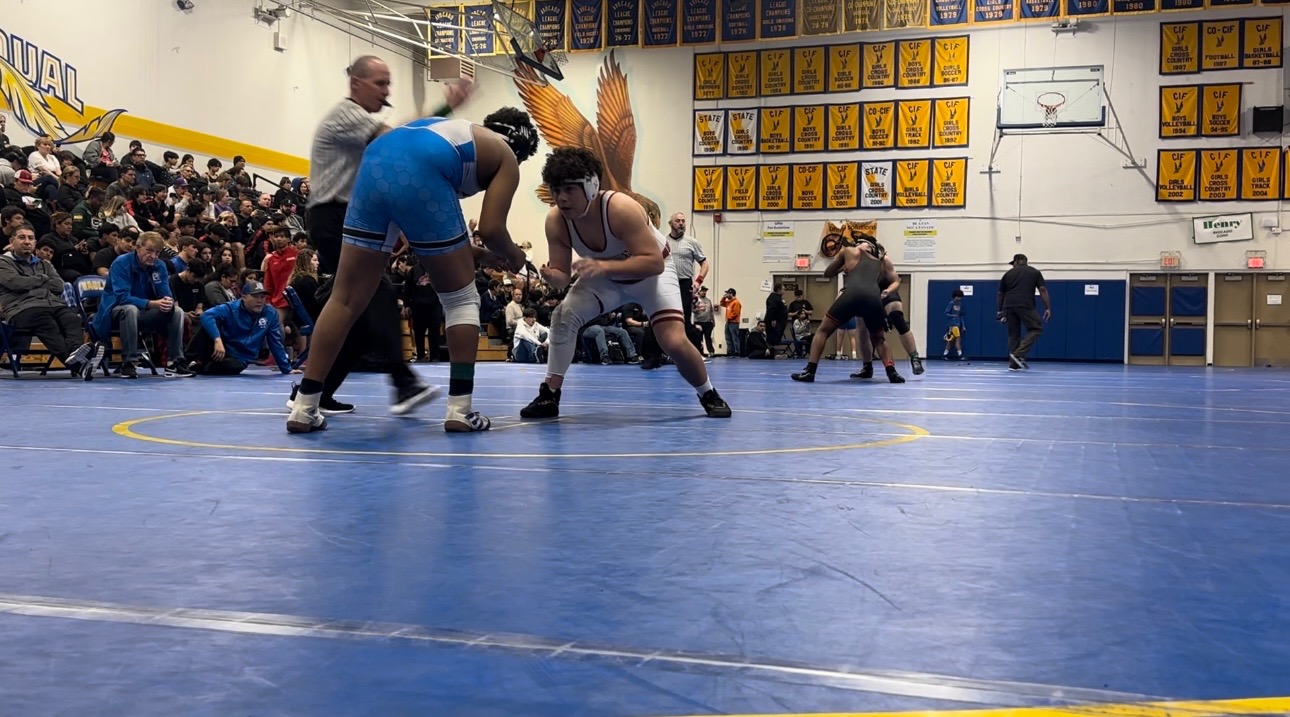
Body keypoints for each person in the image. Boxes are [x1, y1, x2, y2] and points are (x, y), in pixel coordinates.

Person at [285, 105, 538, 434]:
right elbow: (491, 230)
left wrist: (473, 253)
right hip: (417, 174)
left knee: (345, 298)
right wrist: (516, 256)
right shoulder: (504, 154)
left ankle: (304, 407)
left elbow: (426, 228)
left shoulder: (451, 130)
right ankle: (460, 409)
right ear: (520, 150)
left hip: (373, 165)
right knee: (461, 299)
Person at [289, 55, 472, 418]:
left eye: (389, 84)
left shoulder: (360, 119)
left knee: (354, 314)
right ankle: (403, 380)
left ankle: (314, 392)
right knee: (375, 293)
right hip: (332, 214)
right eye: (380, 83)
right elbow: (400, 141)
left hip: (352, 215)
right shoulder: (346, 114)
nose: (386, 92)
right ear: (356, 83)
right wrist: (444, 108)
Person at [518, 147, 732, 419]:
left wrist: (604, 265)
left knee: (673, 342)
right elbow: (561, 278)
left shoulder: (621, 208)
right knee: (563, 315)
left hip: (652, 274)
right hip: (606, 276)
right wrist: (552, 276)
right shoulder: (557, 221)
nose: (561, 198)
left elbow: (653, 262)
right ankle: (549, 395)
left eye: (570, 189)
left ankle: (708, 392)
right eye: (556, 189)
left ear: (591, 186)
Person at [791, 240, 904, 384]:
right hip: (873, 299)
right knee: (879, 339)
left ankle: (810, 371)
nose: (857, 243)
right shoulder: (880, 261)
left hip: (852, 295)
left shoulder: (849, 251)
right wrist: (887, 291)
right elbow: (896, 280)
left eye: (860, 242)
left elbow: (828, 273)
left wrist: (842, 266)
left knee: (823, 331)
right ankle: (891, 372)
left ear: (867, 246)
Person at [997, 253, 1051, 370]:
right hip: (1025, 304)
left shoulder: (1007, 274)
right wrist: (1047, 308)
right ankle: (1018, 354)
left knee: (1013, 334)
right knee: (1036, 328)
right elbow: (1042, 289)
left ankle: (1013, 364)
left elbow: (1001, 293)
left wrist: (999, 310)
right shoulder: (1034, 272)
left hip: (1009, 305)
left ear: (1016, 261)